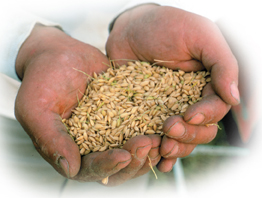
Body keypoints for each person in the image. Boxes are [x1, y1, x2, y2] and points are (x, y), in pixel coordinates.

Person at [0, 0, 260, 197]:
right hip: (16, 97)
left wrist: (149, 7)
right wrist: (23, 40)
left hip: (156, 59)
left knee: (125, 171)